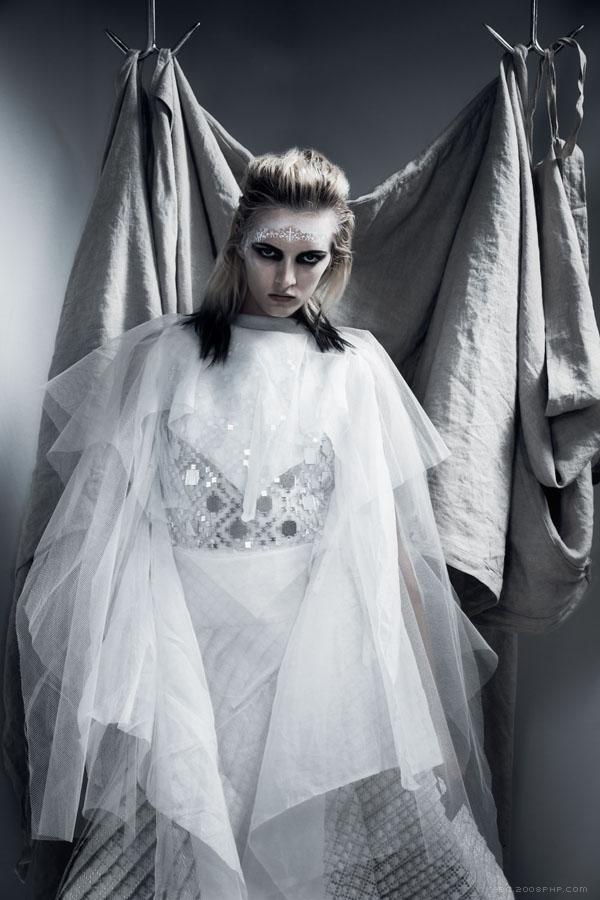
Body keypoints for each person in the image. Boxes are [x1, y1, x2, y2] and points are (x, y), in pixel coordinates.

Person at [16, 148, 514, 899]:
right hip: (184, 646)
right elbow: (108, 529)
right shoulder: (168, 355)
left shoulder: (353, 368)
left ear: (335, 259)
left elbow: (385, 544)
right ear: (238, 244)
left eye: (309, 259)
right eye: (269, 253)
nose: (286, 279)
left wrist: (420, 718)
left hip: (314, 651)